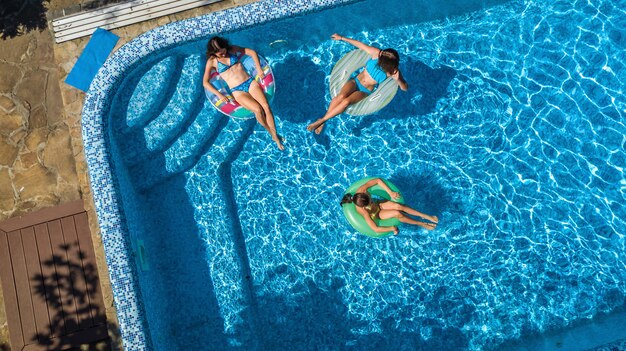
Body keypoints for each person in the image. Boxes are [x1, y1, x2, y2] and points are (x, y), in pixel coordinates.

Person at [307, 33, 409, 134]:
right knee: (340, 96)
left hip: (365, 90)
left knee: (346, 102)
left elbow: (405, 88)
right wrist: (342, 38)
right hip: (355, 81)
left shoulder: (392, 71)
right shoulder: (377, 53)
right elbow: (360, 44)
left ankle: (322, 121)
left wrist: (398, 79)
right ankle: (322, 121)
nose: (380, 56)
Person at [203, 36, 284, 150]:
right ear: (213, 52)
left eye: (223, 50)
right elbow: (205, 83)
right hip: (237, 91)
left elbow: (251, 52)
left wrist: (259, 69)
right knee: (258, 110)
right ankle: (273, 134)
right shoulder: (212, 61)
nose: (222, 54)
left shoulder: (232, 49)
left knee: (266, 106)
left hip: (250, 83)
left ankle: (275, 135)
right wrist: (220, 95)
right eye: (219, 53)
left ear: (225, 46)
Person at [340, 178, 438, 235]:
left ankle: (426, 216)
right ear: (364, 207)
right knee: (397, 213)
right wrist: (392, 228)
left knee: (398, 205)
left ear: (365, 194)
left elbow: (378, 180)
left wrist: (390, 192)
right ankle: (421, 223)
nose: (371, 201)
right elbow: (376, 229)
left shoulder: (362, 190)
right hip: (375, 213)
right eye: (369, 203)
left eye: (369, 199)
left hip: (379, 204)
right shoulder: (364, 212)